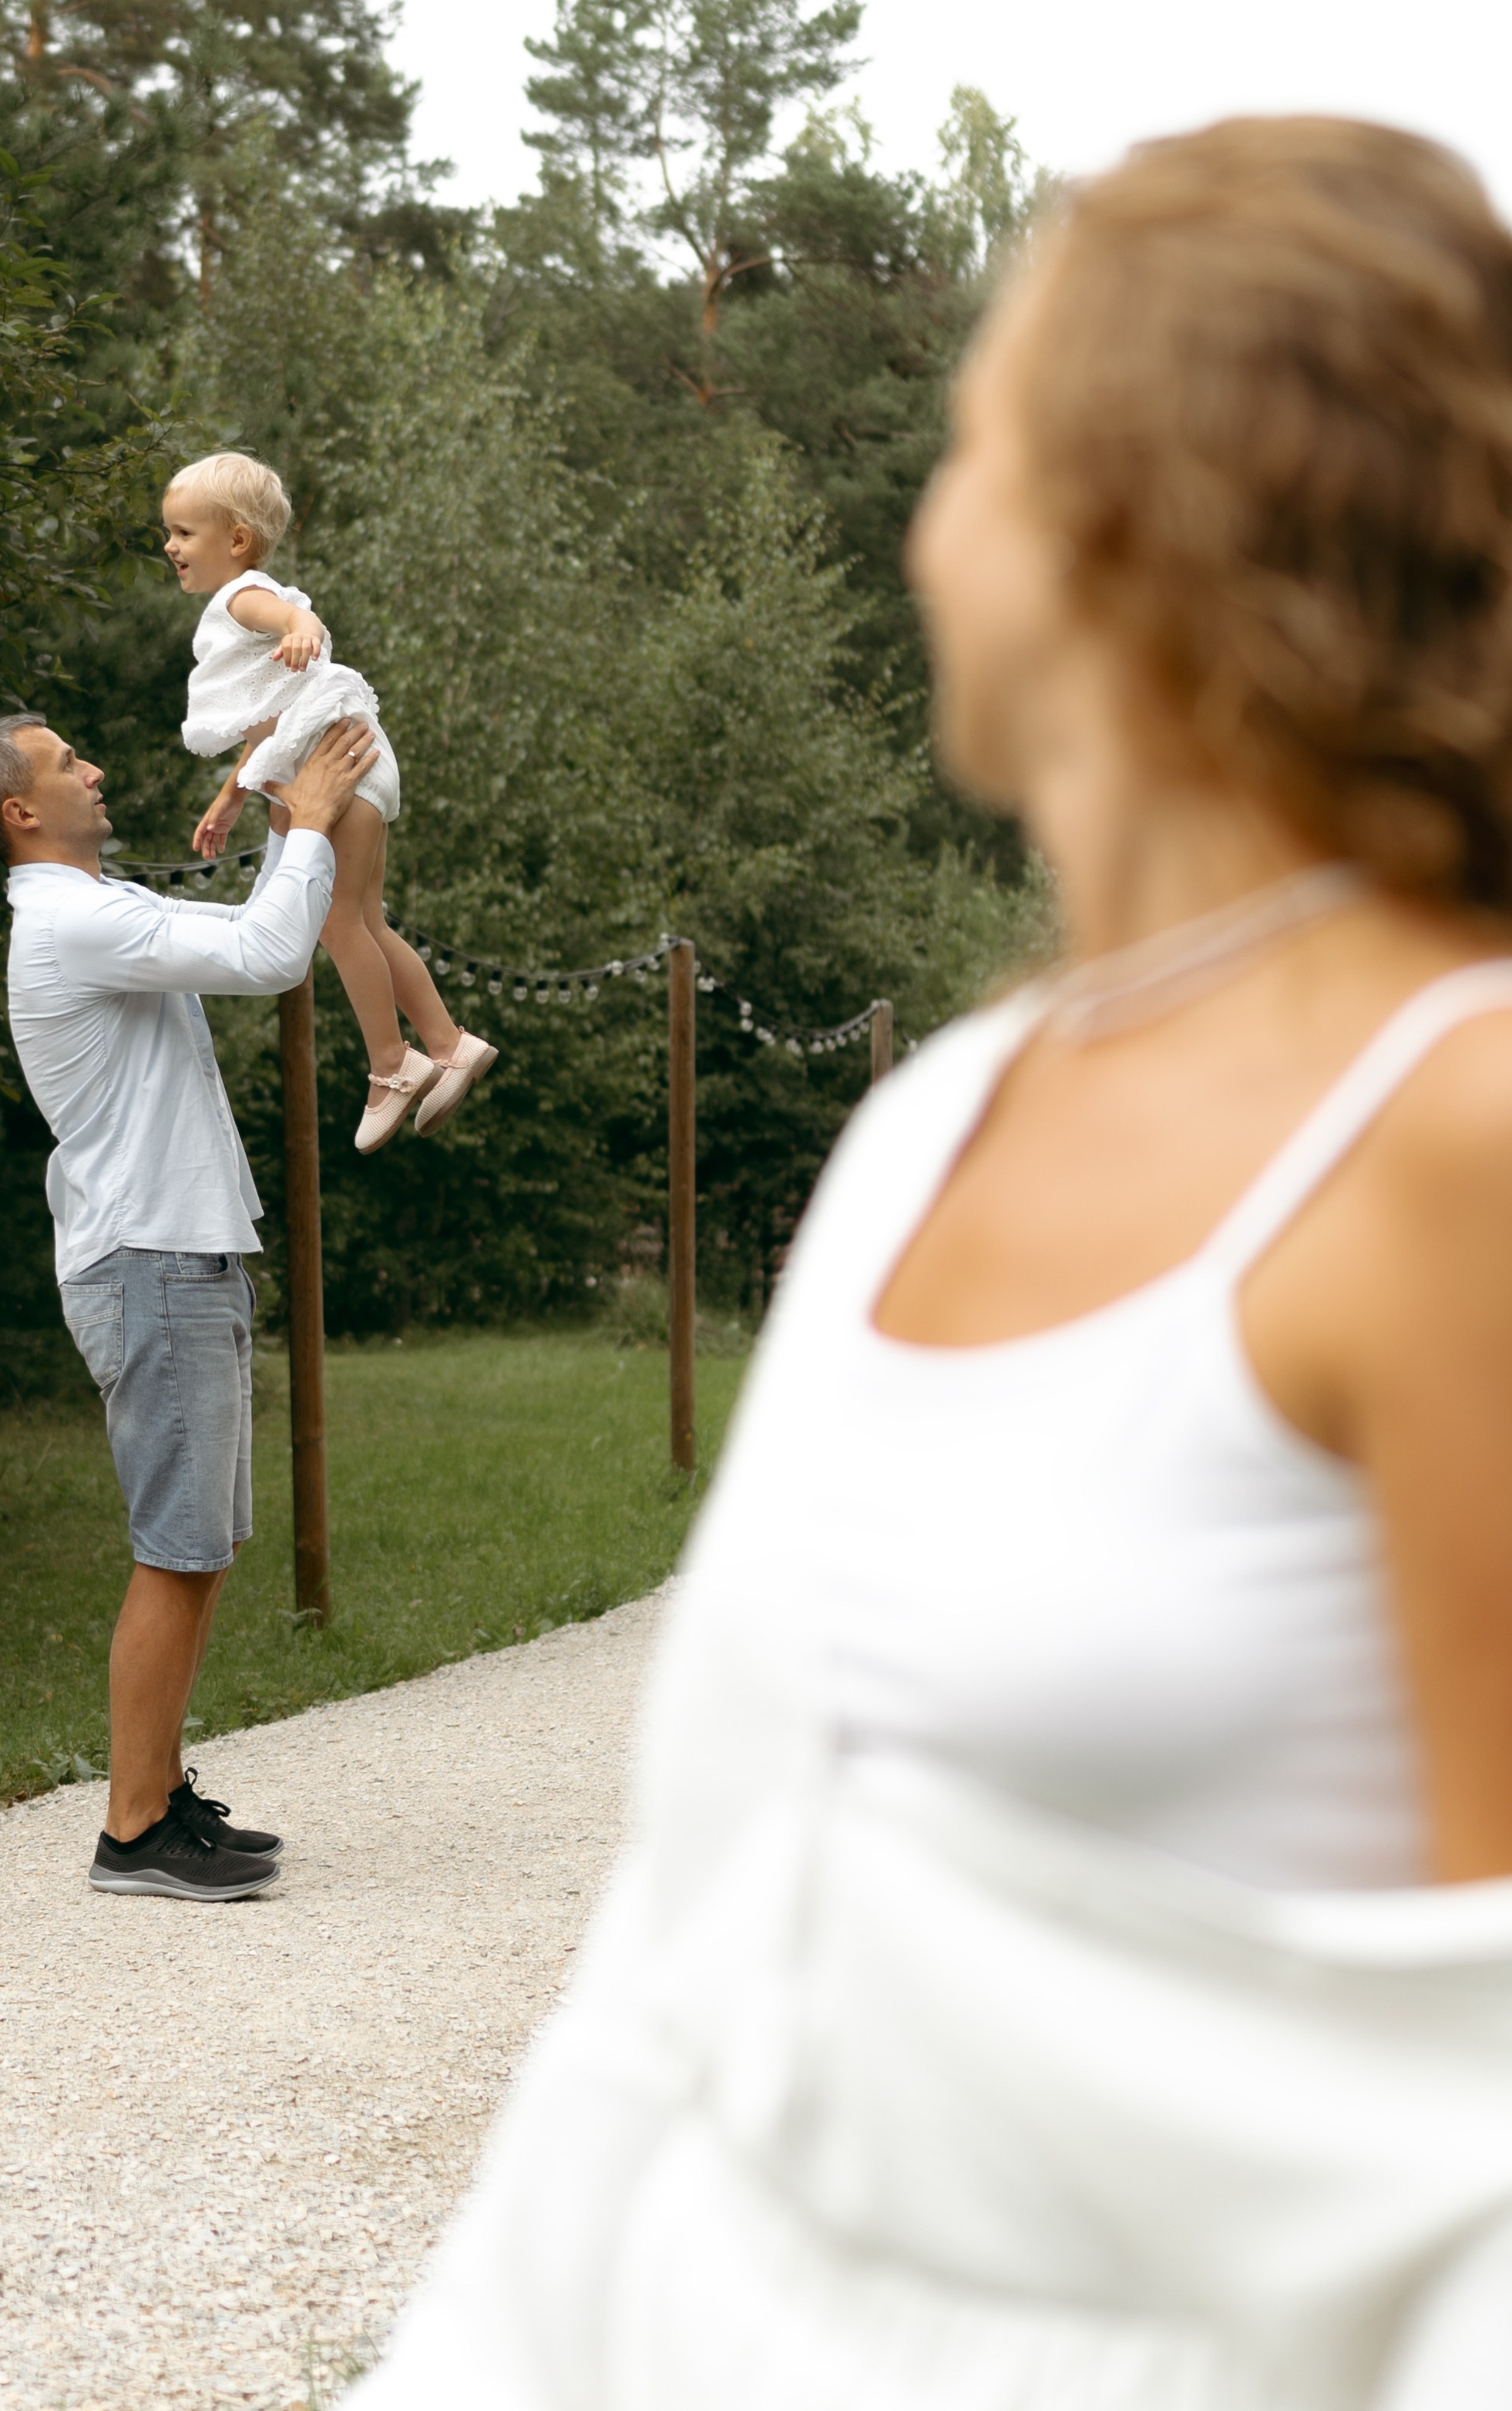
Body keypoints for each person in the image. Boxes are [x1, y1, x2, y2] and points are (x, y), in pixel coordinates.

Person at [348, 119, 1512, 2410]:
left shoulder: (1452, 1137)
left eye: (971, 443)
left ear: (1132, 515)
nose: (924, 528)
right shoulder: (932, 1123)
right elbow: (677, 1967)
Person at [0, 710, 375, 1902]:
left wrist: (281, 819)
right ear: (20, 811)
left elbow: (252, 939)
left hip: (174, 1253)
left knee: (200, 1548)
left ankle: (156, 1797)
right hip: (151, 1258)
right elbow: (268, 955)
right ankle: (133, 1833)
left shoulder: (96, 904)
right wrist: (309, 822)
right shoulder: (70, 920)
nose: (93, 770)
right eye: (65, 763)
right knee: (175, 1552)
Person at [165, 449, 498, 1152]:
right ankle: (448, 1044)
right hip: (359, 761)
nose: (171, 545)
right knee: (366, 920)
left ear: (236, 539)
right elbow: (270, 722)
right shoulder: (247, 603)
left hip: (338, 765)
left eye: (184, 532)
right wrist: (231, 796)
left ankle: (393, 1065)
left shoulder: (242, 598)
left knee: (336, 922)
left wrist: (300, 628)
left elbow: (291, 618)